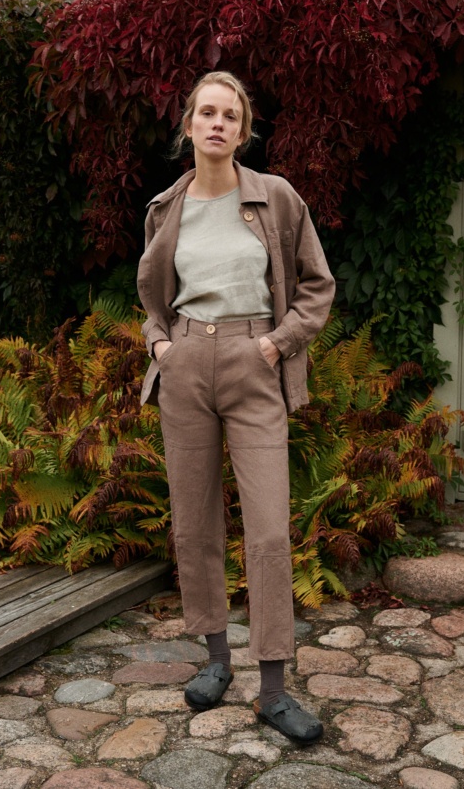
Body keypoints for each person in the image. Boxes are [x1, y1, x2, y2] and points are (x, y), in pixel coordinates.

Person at [137, 71, 335, 744]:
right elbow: (151, 297)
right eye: (206, 113)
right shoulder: (166, 207)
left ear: (243, 132)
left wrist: (279, 345)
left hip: (256, 362)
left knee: (269, 528)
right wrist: (160, 344)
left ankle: (274, 690)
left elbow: (317, 285)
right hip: (187, 363)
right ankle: (216, 661)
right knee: (194, 519)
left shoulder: (276, 198)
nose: (217, 124)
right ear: (189, 125)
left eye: (230, 115)